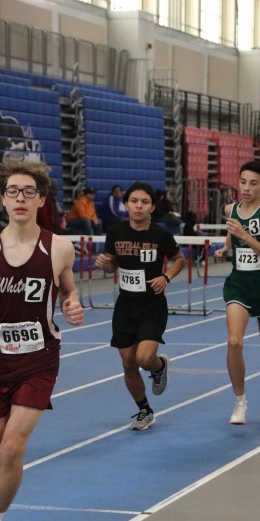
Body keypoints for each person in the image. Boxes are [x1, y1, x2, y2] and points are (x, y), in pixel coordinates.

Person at [0, 158, 84, 521]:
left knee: (12, 447)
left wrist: (72, 304)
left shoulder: (59, 248)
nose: (20, 198)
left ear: (41, 199)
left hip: (39, 360)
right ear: (2, 198)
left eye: (28, 192)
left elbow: (69, 290)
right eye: (12, 191)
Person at [94, 182, 186, 430]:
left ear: (152, 207)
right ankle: (144, 410)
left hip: (151, 305)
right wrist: (105, 264)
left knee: (144, 358)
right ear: (126, 204)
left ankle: (159, 366)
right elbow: (112, 265)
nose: (138, 206)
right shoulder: (116, 232)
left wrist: (165, 277)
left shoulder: (160, 235)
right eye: (134, 201)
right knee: (128, 363)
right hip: (125, 305)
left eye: (144, 202)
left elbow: (180, 260)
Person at [212, 161, 260, 425]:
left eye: (253, 184)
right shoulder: (231, 210)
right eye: (242, 182)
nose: (246, 188)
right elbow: (232, 235)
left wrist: (247, 236)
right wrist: (225, 248)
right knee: (234, 342)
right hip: (239, 283)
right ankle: (239, 401)